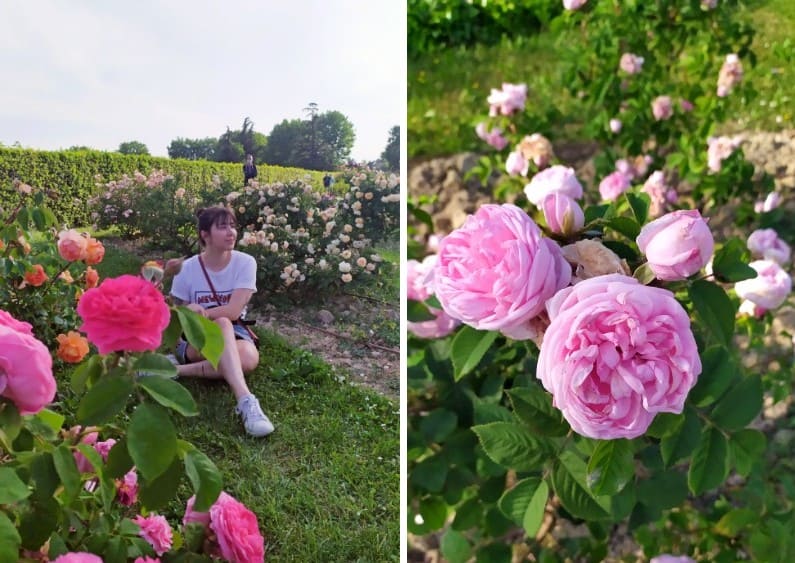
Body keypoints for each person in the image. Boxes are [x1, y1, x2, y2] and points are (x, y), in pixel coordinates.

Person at [169, 205, 274, 437]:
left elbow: (234, 310)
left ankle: (175, 370)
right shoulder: (186, 269)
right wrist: (187, 310)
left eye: (233, 226)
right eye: (222, 227)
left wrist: (202, 311)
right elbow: (174, 313)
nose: (231, 233)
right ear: (204, 235)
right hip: (195, 337)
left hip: (236, 331)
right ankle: (246, 400)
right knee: (223, 324)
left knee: (246, 355)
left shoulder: (245, 263)